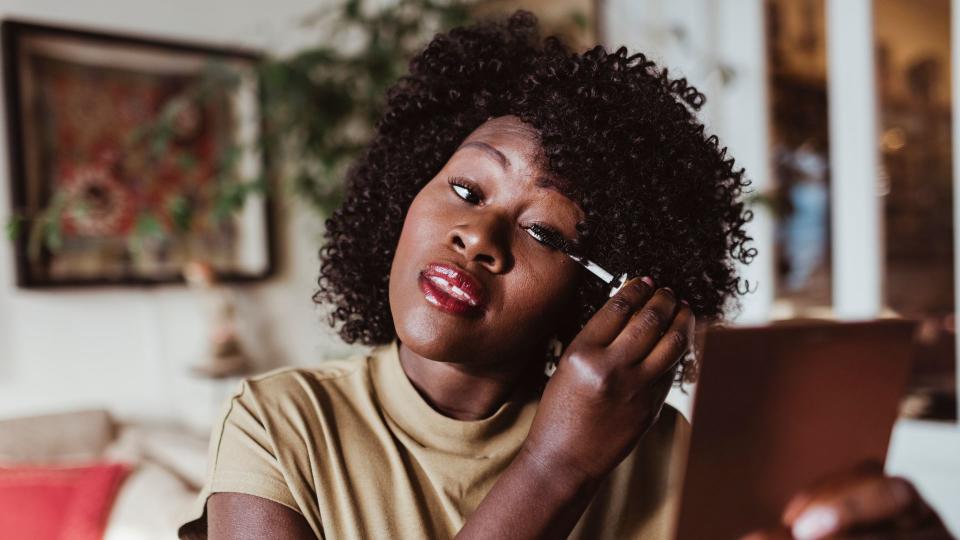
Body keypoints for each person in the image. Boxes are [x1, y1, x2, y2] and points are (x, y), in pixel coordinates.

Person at [178, 12, 952, 540]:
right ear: (402, 192)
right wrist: (554, 468)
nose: (478, 236)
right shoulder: (278, 424)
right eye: (466, 188)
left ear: (599, 290)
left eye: (544, 230)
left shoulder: (661, 457)